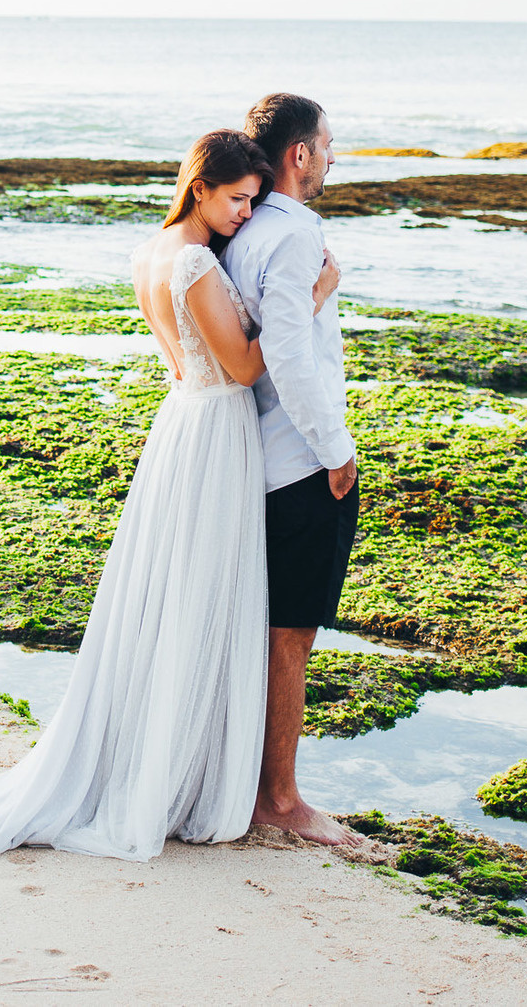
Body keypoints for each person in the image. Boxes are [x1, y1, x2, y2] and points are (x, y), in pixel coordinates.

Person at [0, 129, 340, 860]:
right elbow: (248, 368)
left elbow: (184, 356)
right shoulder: (189, 262)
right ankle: (177, 775)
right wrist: (313, 295)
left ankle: (175, 758)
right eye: (238, 200)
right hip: (215, 432)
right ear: (200, 190)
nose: (248, 214)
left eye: (254, 200)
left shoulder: (149, 254)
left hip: (181, 419)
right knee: (200, 599)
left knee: (175, 595)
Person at [221, 92, 359, 847]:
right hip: (298, 462)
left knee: (266, 629)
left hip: (255, 454)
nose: (333, 157)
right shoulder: (295, 235)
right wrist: (336, 450)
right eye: (329, 145)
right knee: (290, 636)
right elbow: (290, 356)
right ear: (300, 154)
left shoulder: (239, 230)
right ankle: (279, 796)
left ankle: (256, 782)